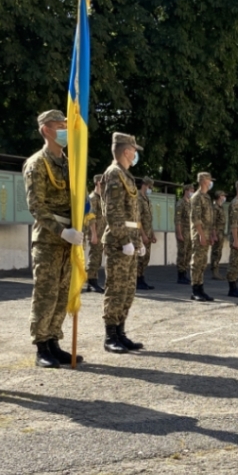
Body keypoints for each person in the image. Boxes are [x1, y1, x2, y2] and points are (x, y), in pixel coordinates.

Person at [24, 109, 83, 370]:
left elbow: (81, 199)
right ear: (46, 130)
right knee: (46, 293)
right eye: (59, 126)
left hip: (69, 238)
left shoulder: (71, 163)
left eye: (65, 125)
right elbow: (36, 206)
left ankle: (54, 341)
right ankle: (41, 345)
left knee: (62, 293)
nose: (64, 130)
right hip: (49, 238)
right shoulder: (37, 163)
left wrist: (83, 223)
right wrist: (61, 231)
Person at [100, 133, 147, 353]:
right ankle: (110, 336)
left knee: (128, 290)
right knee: (116, 289)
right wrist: (125, 240)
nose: (135, 154)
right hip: (119, 243)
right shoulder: (114, 174)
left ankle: (120, 332)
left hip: (129, 241)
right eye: (134, 150)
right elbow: (113, 211)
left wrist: (137, 239)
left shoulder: (125, 175)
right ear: (126, 150)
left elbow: (131, 215)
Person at [188, 171, 216, 301]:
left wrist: (211, 234)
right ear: (204, 181)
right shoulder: (197, 197)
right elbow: (196, 219)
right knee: (197, 262)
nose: (211, 182)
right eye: (210, 180)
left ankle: (201, 288)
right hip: (199, 235)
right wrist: (201, 235)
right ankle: (195, 290)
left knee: (203, 262)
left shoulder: (207, 197)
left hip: (206, 234)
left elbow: (210, 219)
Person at [86, 174, 106, 293]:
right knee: (94, 257)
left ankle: (93, 281)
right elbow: (91, 217)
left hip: (101, 233)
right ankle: (91, 282)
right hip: (95, 233)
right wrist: (94, 234)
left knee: (97, 257)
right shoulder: (92, 198)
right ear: (98, 183)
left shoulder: (101, 198)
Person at [135, 177, 156, 291]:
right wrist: (142, 234)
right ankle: (137, 280)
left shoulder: (147, 200)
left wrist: (151, 234)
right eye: (150, 187)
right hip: (140, 234)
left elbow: (149, 219)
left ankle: (142, 279)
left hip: (147, 234)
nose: (150, 189)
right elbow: (137, 219)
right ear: (145, 185)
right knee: (139, 258)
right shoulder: (138, 198)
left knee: (145, 258)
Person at [174, 184, 192, 285]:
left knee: (188, 254)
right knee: (182, 253)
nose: (192, 192)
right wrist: (179, 233)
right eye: (191, 190)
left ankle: (185, 273)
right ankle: (180, 275)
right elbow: (178, 220)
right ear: (186, 190)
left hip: (190, 233)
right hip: (183, 232)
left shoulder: (190, 203)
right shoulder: (180, 203)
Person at [210, 190, 227, 279]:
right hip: (217, 233)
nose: (224, 197)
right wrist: (214, 235)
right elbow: (213, 222)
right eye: (223, 195)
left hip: (221, 232)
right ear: (219, 196)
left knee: (218, 252)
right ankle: (214, 272)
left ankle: (216, 271)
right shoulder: (215, 208)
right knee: (216, 253)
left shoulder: (220, 207)